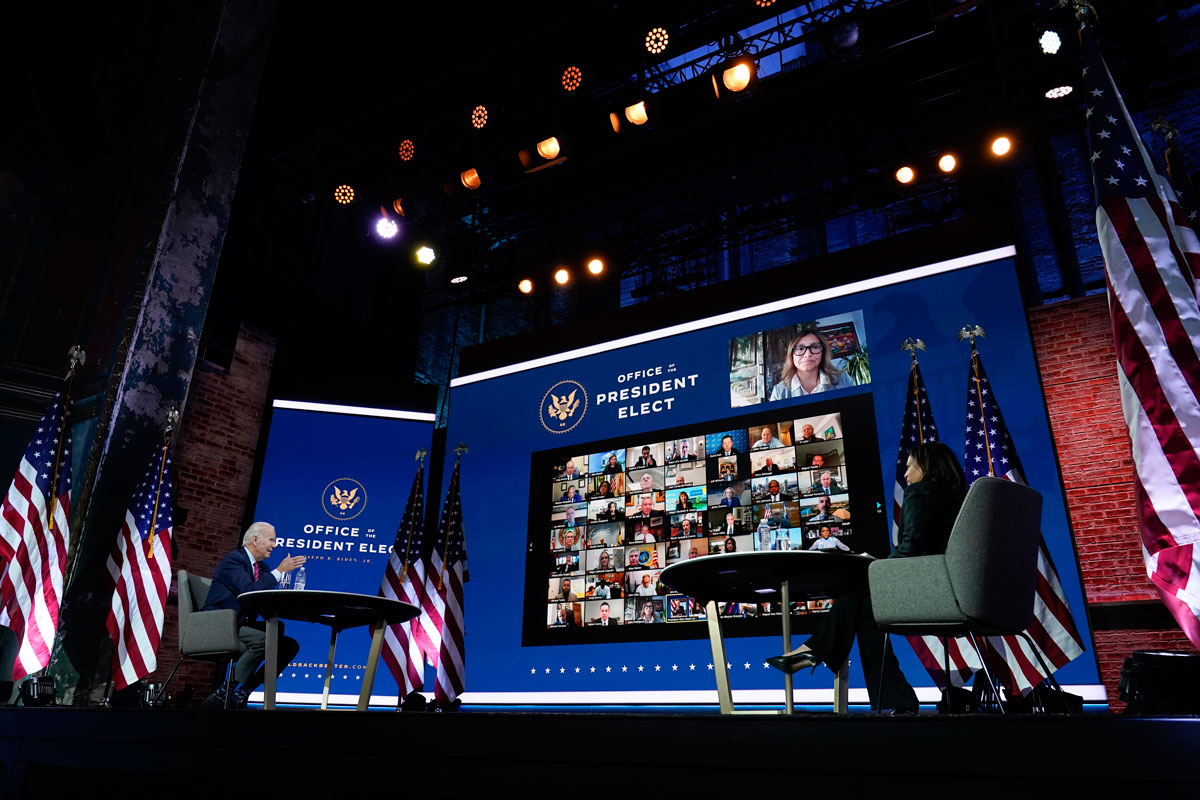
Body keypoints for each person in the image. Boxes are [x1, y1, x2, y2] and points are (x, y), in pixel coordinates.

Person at [766, 442, 967, 714]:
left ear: (927, 467)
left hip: (929, 595)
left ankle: (815, 650)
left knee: (857, 600)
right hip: (955, 594)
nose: (906, 476)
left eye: (910, 467)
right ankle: (893, 697)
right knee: (861, 608)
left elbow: (911, 550)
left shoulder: (922, 492)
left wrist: (875, 567)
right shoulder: (957, 498)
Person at [201, 522, 306, 708]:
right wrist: (280, 571)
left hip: (238, 624)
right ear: (255, 540)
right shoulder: (233, 560)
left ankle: (244, 691)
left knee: (288, 644)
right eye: (271, 540)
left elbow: (260, 600)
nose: (275, 545)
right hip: (219, 624)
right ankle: (225, 691)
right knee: (264, 640)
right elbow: (248, 591)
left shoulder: (262, 569)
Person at [769, 329, 855, 400]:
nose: (807, 354)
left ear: (823, 352)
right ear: (791, 355)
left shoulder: (843, 379)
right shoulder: (779, 392)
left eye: (815, 347)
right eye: (800, 348)